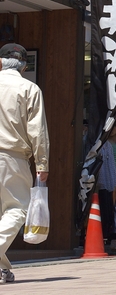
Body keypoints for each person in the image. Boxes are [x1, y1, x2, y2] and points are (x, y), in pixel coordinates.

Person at [0, 43, 49, 284]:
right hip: (12, 156)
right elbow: (37, 131)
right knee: (17, 208)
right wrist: (42, 164)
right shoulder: (29, 88)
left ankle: (2, 269)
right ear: (24, 66)